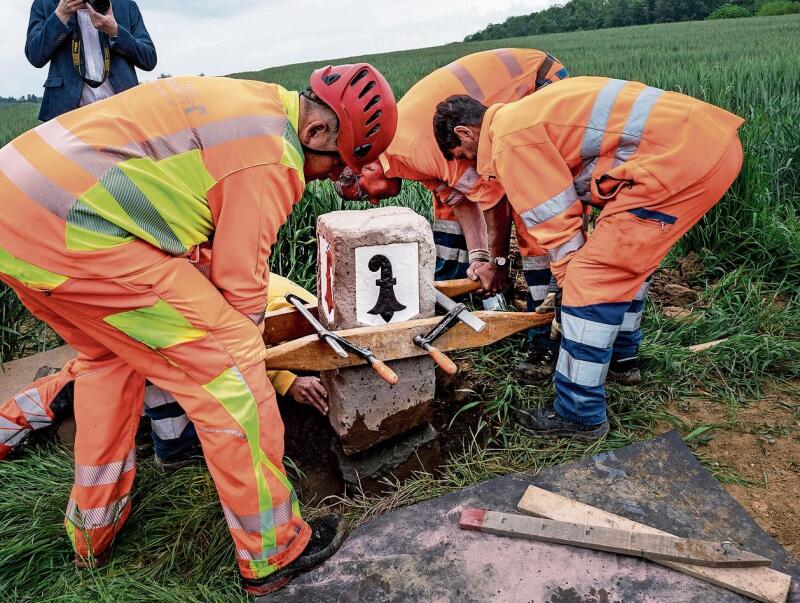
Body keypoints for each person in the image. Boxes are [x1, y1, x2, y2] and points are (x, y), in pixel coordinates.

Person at [0, 65, 397, 595]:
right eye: (334, 165)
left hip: (18, 219)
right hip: (78, 230)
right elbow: (240, 285)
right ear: (317, 134)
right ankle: (274, 551)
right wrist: (256, 356)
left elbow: (190, 222)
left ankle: (92, 531)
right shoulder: (272, 155)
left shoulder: (250, 105)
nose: (323, 177)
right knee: (232, 372)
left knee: (106, 361)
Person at [432, 77, 743, 441]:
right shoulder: (525, 116)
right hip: (703, 146)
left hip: (676, 160)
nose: (468, 165)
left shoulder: (508, 142)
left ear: (465, 134)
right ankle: (621, 363)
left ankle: (579, 413)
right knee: (623, 265)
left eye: (462, 156)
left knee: (589, 279)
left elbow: (558, 228)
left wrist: (569, 291)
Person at [334, 48, 570, 381]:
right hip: (480, 113)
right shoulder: (405, 155)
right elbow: (463, 201)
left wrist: (498, 264)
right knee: (447, 208)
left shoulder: (414, 146)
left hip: (536, 83)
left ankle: (545, 339)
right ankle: (462, 301)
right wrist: (479, 257)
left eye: (362, 195)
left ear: (368, 168)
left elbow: (493, 197)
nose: (371, 203)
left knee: (530, 210)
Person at [0, 274, 329, 469]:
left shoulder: (292, 307)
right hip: (150, 333)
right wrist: (288, 381)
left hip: (158, 325)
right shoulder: (275, 311)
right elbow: (240, 352)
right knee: (80, 383)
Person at [26, 0, 157, 122]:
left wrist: (115, 31)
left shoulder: (125, 5)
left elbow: (149, 59)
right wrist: (61, 15)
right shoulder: (45, 4)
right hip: (68, 114)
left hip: (122, 113)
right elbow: (35, 56)